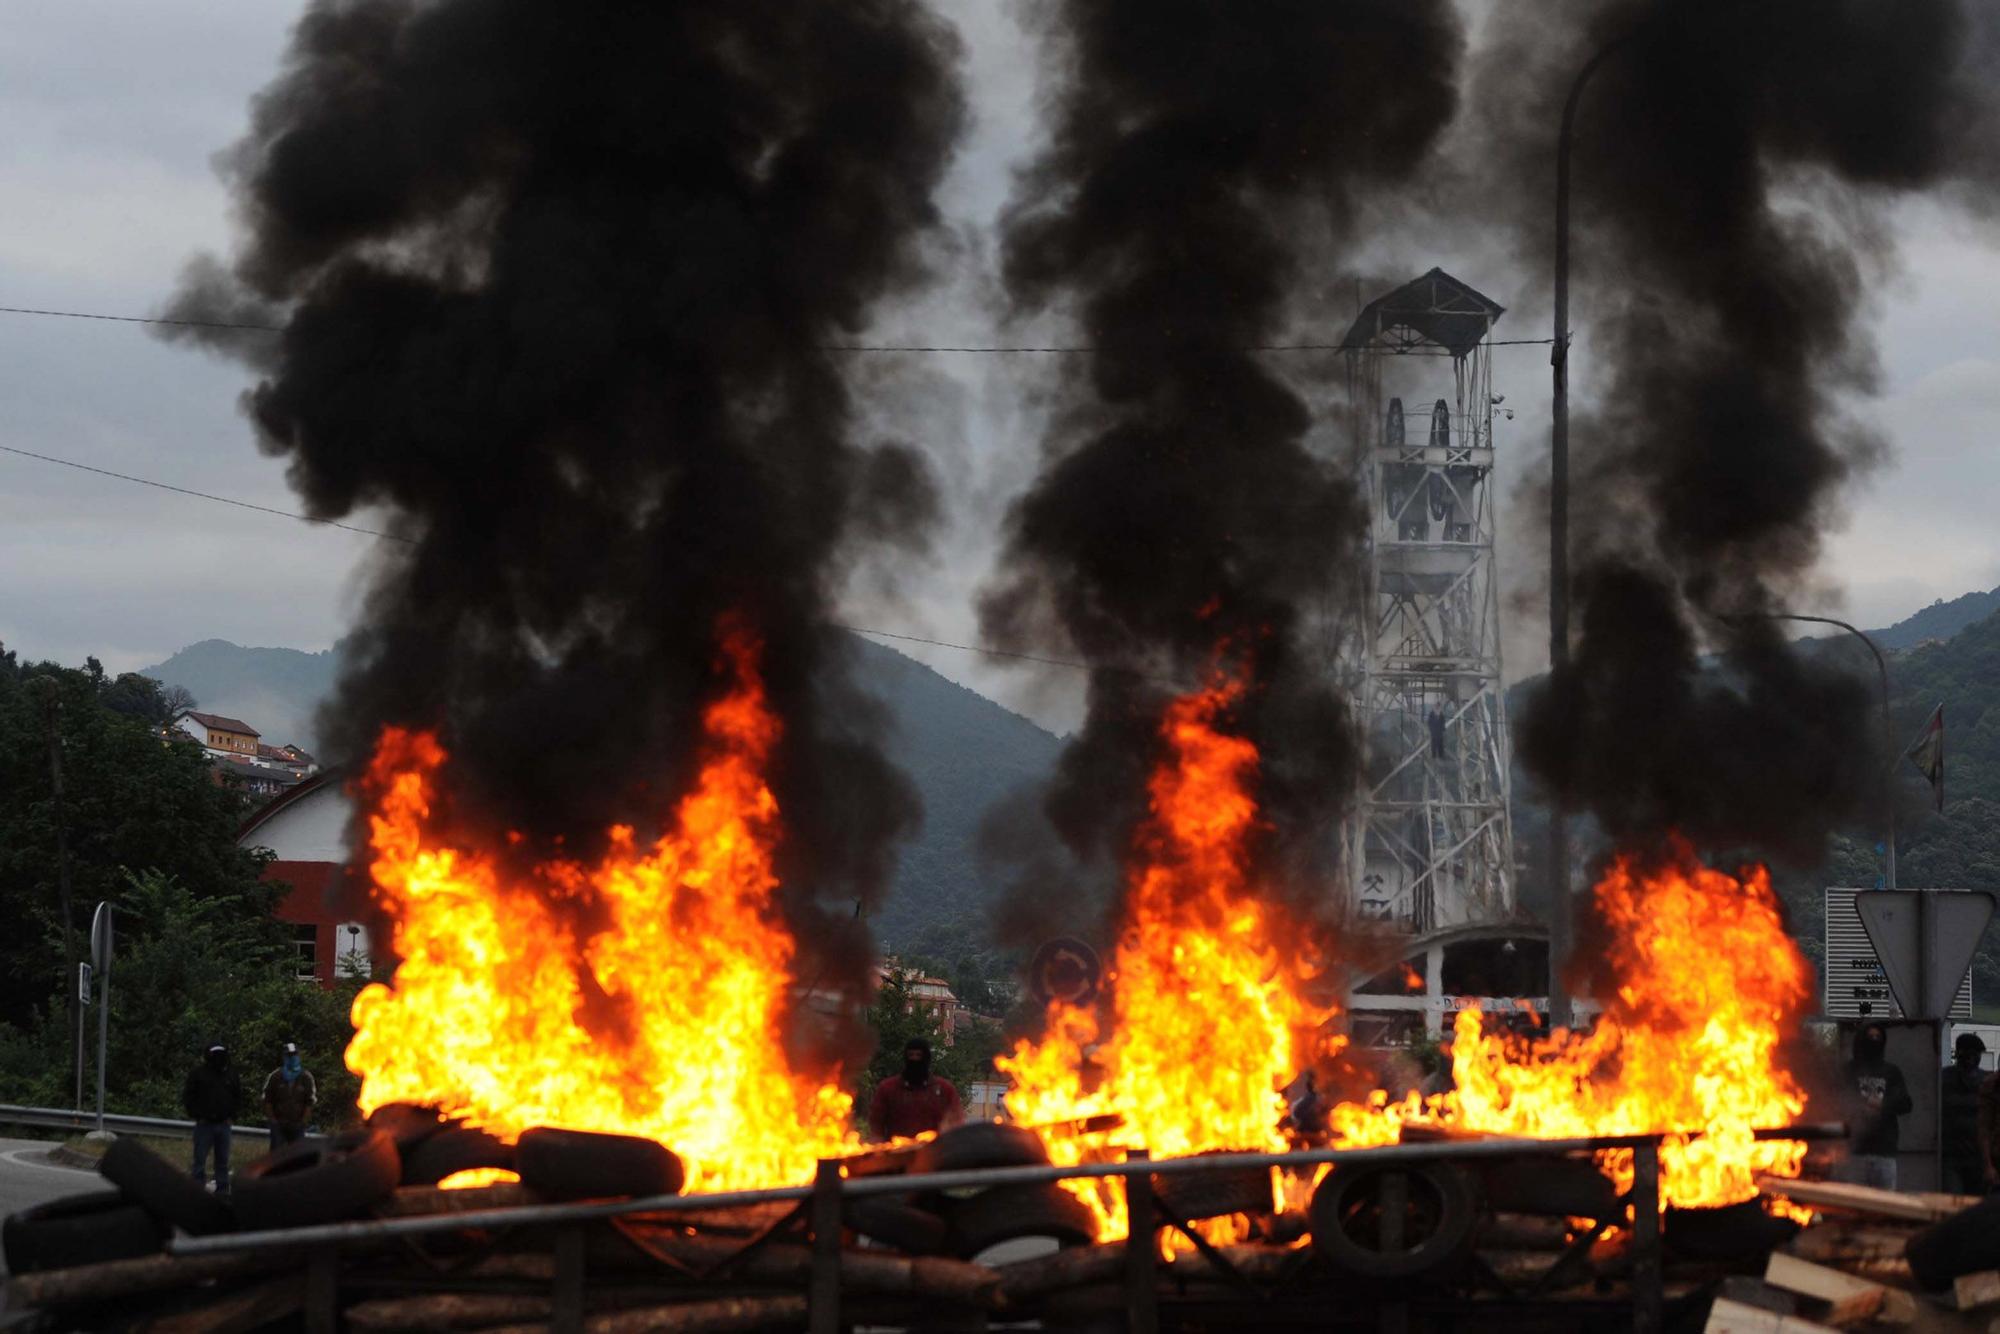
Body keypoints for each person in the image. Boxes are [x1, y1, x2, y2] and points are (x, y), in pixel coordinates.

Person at [1838, 1022, 1912, 1190]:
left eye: (1878, 1037)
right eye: (1870, 1037)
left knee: (1884, 1208)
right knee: (1855, 1208)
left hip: (1884, 1151)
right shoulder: (1848, 1071)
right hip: (1856, 1153)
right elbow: (1836, 1101)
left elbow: (1906, 1103)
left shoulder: (1891, 1072)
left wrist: (1882, 1105)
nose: (1874, 1041)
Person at [867, 1036, 962, 1141]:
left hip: (934, 1152)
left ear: (926, 1058)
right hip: (897, 1152)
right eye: (911, 1055)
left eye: (919, 1055)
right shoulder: (888, 1088)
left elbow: (955, 1122)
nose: (914, 1059)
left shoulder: (944, 1090)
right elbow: (876, 1124)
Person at [182, 1042, 241, 1194]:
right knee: (200, 1160)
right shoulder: (198, 1074)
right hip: (205, 1124)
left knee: (223, 1161)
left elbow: (238, 1096)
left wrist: (232, 1115)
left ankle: (222, 1189)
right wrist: (197, 1115)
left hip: (224, 1124)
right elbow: (189, 1096)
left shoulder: (231, 1074)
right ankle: (197, 1189)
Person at [261, 1041, 317, 1152]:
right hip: (279, 1126)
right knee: (276, 1157)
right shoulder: (275, 1076)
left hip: (297, 1126)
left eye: (294, 1055)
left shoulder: (306, 1077)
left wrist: (303, 1122)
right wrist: (273, 1121)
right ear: (284, 1057)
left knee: (297, 1157)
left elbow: (310, 1102)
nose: (292, 1058)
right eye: (289, 1055)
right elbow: (266, 1100)